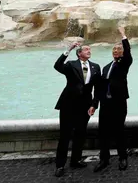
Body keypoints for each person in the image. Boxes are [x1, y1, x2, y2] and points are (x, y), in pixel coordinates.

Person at [53, 40, 101, 178]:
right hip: (68, 104)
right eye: (86, 49)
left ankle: (76, 160)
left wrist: (94, 104)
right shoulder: (70, 65)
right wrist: (68, 49)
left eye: (89, 49)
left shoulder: (96, 67)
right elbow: (57, 66)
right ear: (79, 54)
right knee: (65, 135)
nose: (89, 51)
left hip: (85, 105)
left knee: (80, 134)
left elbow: (98, 89)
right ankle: (60, 165)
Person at [94, 26, 133, 173]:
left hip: (119, 102)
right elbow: (99, 87)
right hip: (105, 104)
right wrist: (95, 103)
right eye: (114, 50)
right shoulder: (106, 67)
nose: (116, 51)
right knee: (102, 132)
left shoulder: (124, 64)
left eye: (119, 49)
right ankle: (104, 159)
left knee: (119, 131)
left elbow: (128, 53)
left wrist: (123, 35)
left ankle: (123, 157)